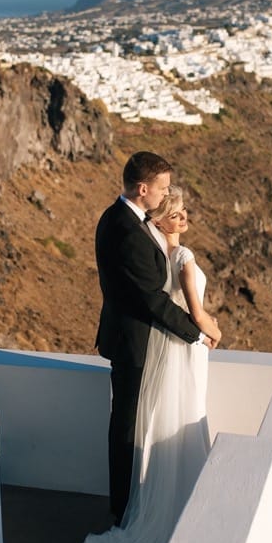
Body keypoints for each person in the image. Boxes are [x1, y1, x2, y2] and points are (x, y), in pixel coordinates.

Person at [6, 182, 219, 543]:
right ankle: (136, 514)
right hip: (173, 349)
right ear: (160, 215)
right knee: (144, 428)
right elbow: (181, 309)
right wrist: (205, 329)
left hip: (164, 351)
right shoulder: (174, 255)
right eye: (178, 212)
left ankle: (135, 509)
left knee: (145, 427)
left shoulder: (152, 243)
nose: (185, 220)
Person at [95, 151, 219, 522]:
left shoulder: (132, 221)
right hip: (134, 343)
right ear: (142, 188)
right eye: (162, 188)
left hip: (139, 340)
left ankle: (134, 504)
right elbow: (151, 298)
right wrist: (195, 332)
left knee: (135, 427)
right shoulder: (125, 229)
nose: (166, 195)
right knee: (128, 431)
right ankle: (124, 513)